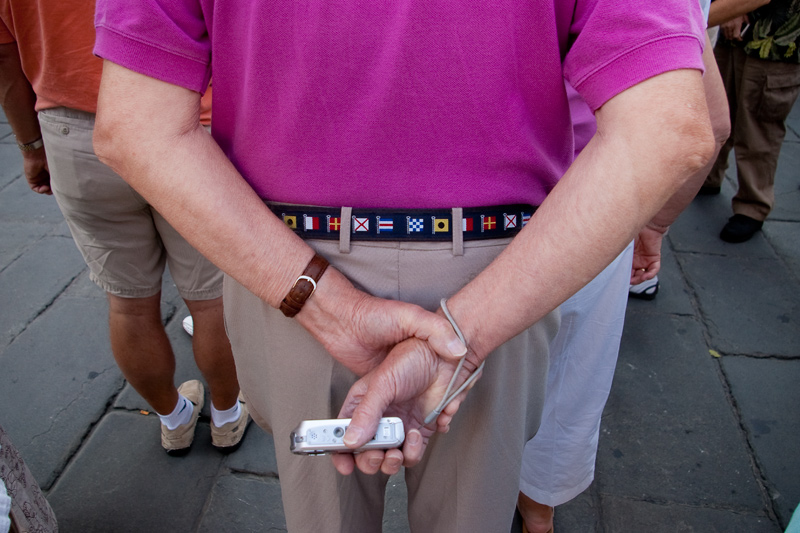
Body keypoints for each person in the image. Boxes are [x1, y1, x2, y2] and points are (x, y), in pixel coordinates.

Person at [91, 1, 715, 530]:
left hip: (283, 266)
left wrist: (329, 307)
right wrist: (461, 339)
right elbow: (672, 130)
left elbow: (135, 127)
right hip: (503, 273)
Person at [0, 0, 249, 456]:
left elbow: (4, 55)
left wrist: (31, 146)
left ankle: (174, 419)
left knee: (129, 304)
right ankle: (228, 416)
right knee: (214, 298)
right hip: (187, 121)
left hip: (74, 131)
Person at [516, 19, 732, 530]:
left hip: (472, 209)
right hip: (595, 208)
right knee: (571, 372)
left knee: (470, 374)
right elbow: (711, 122)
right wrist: (653, 222)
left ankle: (470, 495)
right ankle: (538, 513)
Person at [703, 0, 800, 242]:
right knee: (718, 108)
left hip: (776, 40)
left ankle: (753, 205)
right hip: (735, 32)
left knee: (760, 125)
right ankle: (709, 175)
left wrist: (732, 10)